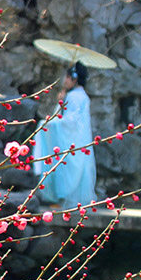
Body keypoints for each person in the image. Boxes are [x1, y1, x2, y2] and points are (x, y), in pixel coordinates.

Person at [32, 61, 97, 209]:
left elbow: (71, 121)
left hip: (72, 139)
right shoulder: (81, 96)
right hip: (79, 139)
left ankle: (63, 200)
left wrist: (49, 123)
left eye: (67, 77)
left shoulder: (74, 97)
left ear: (74, 79)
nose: (65, 81)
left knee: (65, 166)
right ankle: (67, 201)